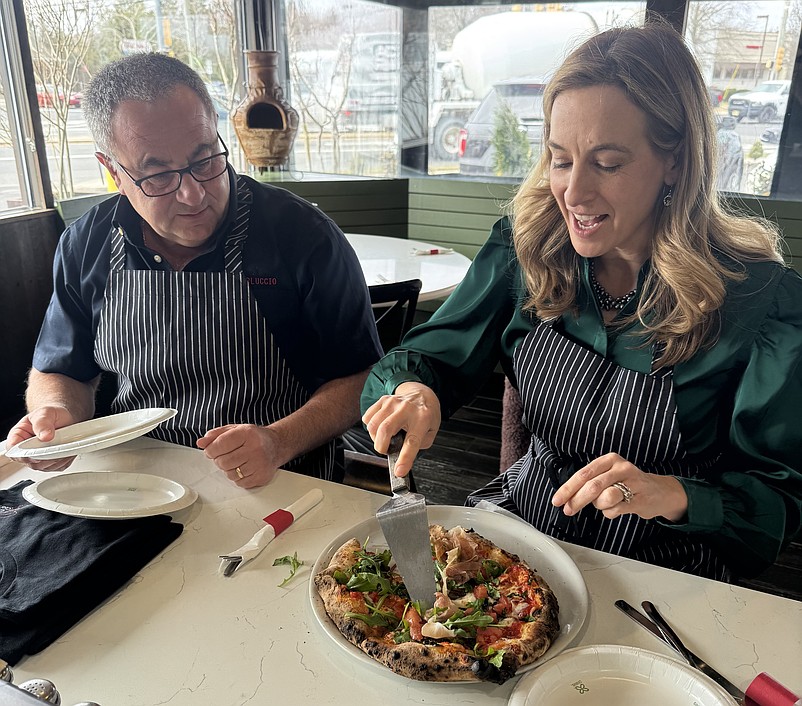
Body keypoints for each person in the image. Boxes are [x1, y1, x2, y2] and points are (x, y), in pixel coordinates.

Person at [361, 23, 802, 581]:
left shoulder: (763, 303)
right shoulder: (525, 249)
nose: (573, 193)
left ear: (676, 161)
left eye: (608, 163)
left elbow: (775, 504)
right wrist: (414, 391)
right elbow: (431, 357)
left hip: (663, 572)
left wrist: (674, 495)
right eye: (560, 159)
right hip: (522, 535)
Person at [5, 53, 382, 488]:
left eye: (204, 160)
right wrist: (56, 415)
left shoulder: (303, 236)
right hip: (133, 485)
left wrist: (278, 440)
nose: (192, 194)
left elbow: (361, 376)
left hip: (281, 482)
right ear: (113, 171)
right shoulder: (85, 243)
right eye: (158, 175)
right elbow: (62, 369)